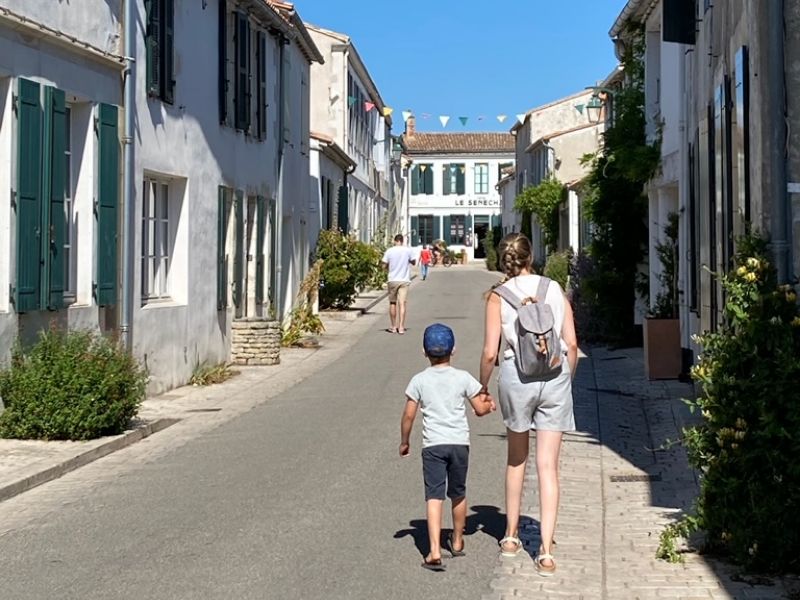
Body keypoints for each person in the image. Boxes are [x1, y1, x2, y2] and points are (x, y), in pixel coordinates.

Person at [478, 233, 578, 577]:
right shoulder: (554, 289)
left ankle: (510, 535)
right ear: (531, 255)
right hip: (554, 376)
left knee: (516, 459)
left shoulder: (497, 297)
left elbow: (491, 351)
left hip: (517, 379)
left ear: (503, 260)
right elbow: (572, 343)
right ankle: (547, 552)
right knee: (548, 466)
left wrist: (482, 385)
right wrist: (566, 379)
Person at [400, 323, 496, 571]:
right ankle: (457, 539)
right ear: (454, 351)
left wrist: (405, 441)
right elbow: (479, 408)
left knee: (434, 495)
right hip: (459, 443)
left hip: (433, 445)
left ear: (424, 351)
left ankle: (433, 551)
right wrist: (489, 406)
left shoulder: (419, 380)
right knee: (458, 492)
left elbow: (409, 415)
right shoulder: (462, 377)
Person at [382, 234, 416, 334]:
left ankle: (393, 326)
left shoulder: (389, 251)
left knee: (392, 303)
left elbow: (383, 265)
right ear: (402, 241)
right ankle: (401, 327)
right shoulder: (407, 250)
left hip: (392, 279)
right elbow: (414, 262)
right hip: (404, 279)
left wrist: (388, 267)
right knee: (402, 303)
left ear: (395, 241)